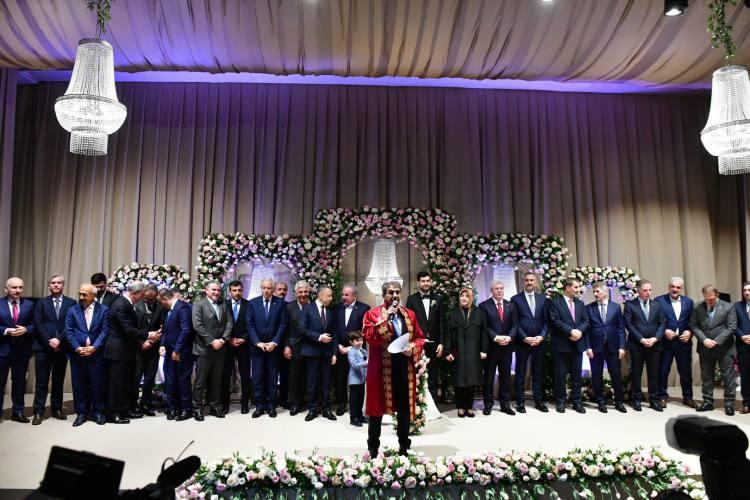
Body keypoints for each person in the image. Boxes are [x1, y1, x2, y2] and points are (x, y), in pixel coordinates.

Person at [363, 281, 425, 457]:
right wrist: (385, 320)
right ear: (384, 295)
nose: (395, 296)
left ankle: (404, 446)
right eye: (391, 292)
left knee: (404, 409)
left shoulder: (409, 315)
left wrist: (412, 348)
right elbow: (370, 337)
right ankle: (373, 447)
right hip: (380, 368)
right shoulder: (372, 314)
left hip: (403, 366)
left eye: (398, 292)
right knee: (376, 410)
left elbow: (419, 338)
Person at [105, 282, 161, 423]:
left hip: (126, 350)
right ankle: (113, 413)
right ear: (135, 293)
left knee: (125, 382)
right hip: (118, 350)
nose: (142, 298)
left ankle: (124, 410)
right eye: (142, 295)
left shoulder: (126, 303)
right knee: (117, 383)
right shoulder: (121, 305)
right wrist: (148, 335)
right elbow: (128, 330)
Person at [32, 274, 75, 424]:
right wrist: (49, 341)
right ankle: (38, 411)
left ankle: (57, 409)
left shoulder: (71, 303)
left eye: (59, 283)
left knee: (58, 380)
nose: (56, 285)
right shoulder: (41, 303)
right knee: (41, 381)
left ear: (63, 285)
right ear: (49, 285)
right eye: (53, 283)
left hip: (62, 348)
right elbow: (37, 324)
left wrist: (59, 340)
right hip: (43, 348)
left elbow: (70, 324)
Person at [64, 283, 109, 427]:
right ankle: (81, 413)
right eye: (80, 293)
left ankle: (98, 412)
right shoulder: (72, 310)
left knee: (98, 383)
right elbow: (68, 331)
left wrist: (94, 347)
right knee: (79, 385)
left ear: (93, 296)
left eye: (85, 294)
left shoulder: (103, 310)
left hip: (97, 354)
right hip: (78, 354)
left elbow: (105, 331)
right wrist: (77, 348)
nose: (81, 296)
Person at [691, 284, 738, 415]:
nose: (709, 302)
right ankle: (708, 402)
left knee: (728, 377)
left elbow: (731, 327)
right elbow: (694, 326)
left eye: (711, 299)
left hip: (725, 347)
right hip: (705, 347)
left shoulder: (728, 307)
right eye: (706, 299)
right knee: (706, 376)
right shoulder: (697, 307)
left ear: (717, 295)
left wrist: (716, 341)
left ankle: (729, 404)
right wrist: (704, 340)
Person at [246, 278, 288, 418]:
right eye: (264, 287)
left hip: (273, 348)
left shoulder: (280, 303)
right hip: (257, 348)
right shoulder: (253, 303)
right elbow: (249, 324)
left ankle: (271, 406)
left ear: (273, 289)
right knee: (257, 378)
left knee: (272, 378)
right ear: (261, 288)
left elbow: (282, 325)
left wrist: (274, 342)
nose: (266, 290)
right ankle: (259, 406)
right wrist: (257, 342)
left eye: (269, 288)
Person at [192, 280, 233, 420]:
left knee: (217, 380)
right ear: (206, 290)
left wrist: (223, 340)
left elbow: (229, 322)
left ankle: (215, 407)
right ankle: (197, 409)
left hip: (220, 348)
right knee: (200, 381)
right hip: (204, 349)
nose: (216, 292)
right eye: (213, 290)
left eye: (218, 290)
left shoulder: (223, 304)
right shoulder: (198, 304)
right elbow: (198, 325)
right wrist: (211, 341)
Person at [623, 279, 667, 412]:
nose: (648, 293)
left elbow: (662, 323)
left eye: (650, 290)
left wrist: (655, 338)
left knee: (653, 374)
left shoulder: (657, 305)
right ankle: (636, 399)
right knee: (636, 373)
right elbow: (628, 324)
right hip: (637, 344)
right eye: (645, 290)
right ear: (638, 291)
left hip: (654, 344)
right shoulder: (630, 305)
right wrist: (641, 339)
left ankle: (653, 400)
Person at [445, 287, 489, 418]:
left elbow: (484, 333)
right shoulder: (453, 314)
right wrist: (448, 351)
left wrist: (484, 350)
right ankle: (460, 407)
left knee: (471, 381)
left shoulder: (479, 312)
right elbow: (448, 334)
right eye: (461, 296)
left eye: (466, 296)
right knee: (459, 381)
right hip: (458, 352)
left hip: (473, 352)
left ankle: (469, 407)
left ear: (471, 298)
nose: (464, 298)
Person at [548, 277, 589, 414]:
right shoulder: (555, 302)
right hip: (561, 344)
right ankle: (561, 401)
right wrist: (570, 331)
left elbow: (586, 321)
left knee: (577, 376)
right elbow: (555, 321)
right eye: (576, 287)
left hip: (577, 344)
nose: (578, 290)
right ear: (567, 288)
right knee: (560, 375)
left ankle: (577, 401)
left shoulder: (580, 304)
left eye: (579, 287)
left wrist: (579, 331)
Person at [585, 282, 626, 413]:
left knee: (616, 375)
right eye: (594, 292)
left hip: (613, 347)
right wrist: (588, 347)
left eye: (597, 291)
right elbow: (586, 330)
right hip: (595, 347)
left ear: (605, 292)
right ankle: (600, 401)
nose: (595, 294)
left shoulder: (616, 307)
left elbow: (621, 328)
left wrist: (622, 346)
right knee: (597, 375)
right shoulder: (589, 308)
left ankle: (619, 402)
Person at [510, 272, 548, 413]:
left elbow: (547, 321)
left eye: (532, 280)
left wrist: (542, 336)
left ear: (536, 282)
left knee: (538, 373)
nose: (529, 282)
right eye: (527, 280)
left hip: (539, 342)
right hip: (522, 342)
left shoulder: (543, 299)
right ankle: (520, 402)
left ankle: (539, 401)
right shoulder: (515, 299)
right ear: (523, 282)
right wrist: (524, 337)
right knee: (520, 373)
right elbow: (514, 321)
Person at [655, 277, 695, 408]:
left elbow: (693, 321)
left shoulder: (688, 302)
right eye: (672, 286)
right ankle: (662, 396)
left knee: (685, 372)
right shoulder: (659, 301)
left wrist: (690, 332)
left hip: (683, 342)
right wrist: (664, 331)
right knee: (663, 370)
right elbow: (655, 321)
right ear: (668, 287)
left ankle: (688, 397)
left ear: (681, 288)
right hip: (666, 342)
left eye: (678, 287)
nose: (675, 289)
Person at [332, 283, 370, 416]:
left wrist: (352, 347)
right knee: (340, 378)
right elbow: (333, 329)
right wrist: (338, 346)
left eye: (346, 295)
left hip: (356, 350)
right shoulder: (336, 308)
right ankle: (342, 403)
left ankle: (357, 408)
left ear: (355, 296)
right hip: (340, 349)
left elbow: (364, 331)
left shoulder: (364, 308)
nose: (343, 297)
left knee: (357, 378)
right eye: (343, 294)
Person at [0, 277, 35, 422]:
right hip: (2, 350)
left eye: (20, 287)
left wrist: (26, 329)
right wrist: (6, 331)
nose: (18, 290)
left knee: (19, 383)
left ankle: (18, 412)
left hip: (22, 350)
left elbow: (35, 324)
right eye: (14, 287)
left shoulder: (29, 305)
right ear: (6, 289)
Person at [405, 271, 445, 399]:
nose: (426, 283)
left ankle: (432, 401)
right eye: (423, 281)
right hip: (418, 342)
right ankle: (419, 401)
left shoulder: (439, 299)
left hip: (435, 342)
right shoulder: (411, 299)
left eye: (428, 281)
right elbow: (408, 323)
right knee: (418, 371)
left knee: (434, 372)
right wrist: (410, 342)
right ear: (418, 283)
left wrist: (441, 343)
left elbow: (442, 323)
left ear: (431, 282)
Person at [300, 286, 337, 421]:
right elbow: (302, 329)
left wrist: (334, 353)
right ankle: (312, 409)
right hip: (312, 351)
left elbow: (334, 333)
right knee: (312, 382)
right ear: (321, 296)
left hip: (327, 353)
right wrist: (319, 337)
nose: (331, 298)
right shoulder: (307, 308)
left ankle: (326, 409)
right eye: (329, 295)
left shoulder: (330, 311)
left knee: (326, 382)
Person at [478, 281, 515, 415]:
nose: (499, 291)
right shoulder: (484, 306)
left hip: (507, 347)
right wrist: (496, 337)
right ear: (491, 291)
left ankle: (505, 404)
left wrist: (509, 337)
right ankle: (488, 404)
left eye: (501, 288)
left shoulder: (510, 305)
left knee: (505, 377)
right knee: (489, 377)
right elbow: (484, 326)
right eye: (496, 289)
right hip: (491, 348)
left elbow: (515, 324)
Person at [157, 288, 193, 421]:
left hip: (181, 352)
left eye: (160, 302)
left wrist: (177, 350)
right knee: (170, 380)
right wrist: (162, 344)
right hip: (169, 351)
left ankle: (186, 409)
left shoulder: (182, 308)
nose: (160, 305)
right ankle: (173, 407)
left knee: (182, 380)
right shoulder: (169, 310)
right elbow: (166, 329)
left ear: (164, 299)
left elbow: (186, 330)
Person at [133, 284, 164, 416]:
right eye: (147, 298)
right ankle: (133, 404)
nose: (150, 301)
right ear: (143, 294)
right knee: (136, 377)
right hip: (138, 347)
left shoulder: (160, 306)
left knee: (150, 377)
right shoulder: (135, 305)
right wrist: (141, 343)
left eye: (152, 299)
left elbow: (163, 326)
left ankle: (146, 403)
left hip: (153, 347)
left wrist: (153, 341)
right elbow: (131, 328)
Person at [221, 280, 251, 414]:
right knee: (226, 375)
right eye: (234, 290)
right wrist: (229, 339)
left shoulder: (249, 305)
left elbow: (252, 324)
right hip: (227, 345)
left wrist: (244, 338)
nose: (237, 293)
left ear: (242, 290)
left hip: (244, 345)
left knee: (245, 375)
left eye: (239, 290)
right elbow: (221, 325)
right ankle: (225, 404)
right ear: (230, 291)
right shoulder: (224, 305)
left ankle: (244, 403)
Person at [284, 281, 311, 415]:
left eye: (305, 292)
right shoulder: (289, 307)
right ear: (296, 293)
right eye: (300, 292)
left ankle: (310, 403)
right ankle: (295, 403)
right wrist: (286, 346)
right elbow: (284, 328)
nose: (303, 294)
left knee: (310, 376)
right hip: (294, 347)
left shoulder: (314, 306)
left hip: (311, 347)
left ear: (309, 292)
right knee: (295, 377)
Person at [734, 282, 750, 414]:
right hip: (743, 346)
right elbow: (733, 324)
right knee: (745, 376)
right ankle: (746, 404)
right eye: (745, 290)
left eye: (749, 290)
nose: (746, 292)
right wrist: (742, 336)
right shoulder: (737, 306)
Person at [274, 281, 291, 407]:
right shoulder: (270, 304)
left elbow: (289, 328)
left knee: (285, 374)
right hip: (271, 345)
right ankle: (271, 399)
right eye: (279, 289)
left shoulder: (288, 306)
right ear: (274, 291)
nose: (282, 292)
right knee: (271, 374)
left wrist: (287, 345)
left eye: (284, 289)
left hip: (284, 346)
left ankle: (284, 399)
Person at [347, 330, 368, 427]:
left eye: (361, 340)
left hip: (362, 379)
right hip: (354, 380)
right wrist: (366, 363)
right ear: (351, 342)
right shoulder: (351, 352)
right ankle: (353, 418)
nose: (360, 342)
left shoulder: (362, 350)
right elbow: (354, 365)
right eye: (357, 341)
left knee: (360, 399)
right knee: (354, 400)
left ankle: (360, 416)